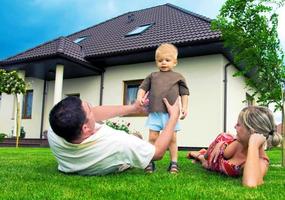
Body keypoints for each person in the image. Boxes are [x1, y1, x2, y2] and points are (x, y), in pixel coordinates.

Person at [48, 94, 181, 176]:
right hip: (119, 162)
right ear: (86, 128)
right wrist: (173, 116)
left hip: (73, 163)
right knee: (136, 138)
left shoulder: (54, 130)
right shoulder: (116, 142)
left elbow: (95, 112)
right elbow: (157, 153)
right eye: (89, 109)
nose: (91, 107)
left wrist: (133, 108)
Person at [187, 106, 282, 188]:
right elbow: (232, 140)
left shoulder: (261, 161)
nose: (234, 126)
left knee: (206, 164)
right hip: (219, 147)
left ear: (252, 131)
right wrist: (222, 144)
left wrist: (253, 145)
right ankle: (202, 154)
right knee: (206, 157)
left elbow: (250, 184)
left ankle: (199, 155)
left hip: (217, 163)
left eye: (238, 124)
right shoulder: (240, 142)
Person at [137, 43, 190, 174]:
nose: (163, 63)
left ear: (175, 62)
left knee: (172, 139)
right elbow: (142, 88)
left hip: (171, 115)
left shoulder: (178, 77)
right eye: (160, 61)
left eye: (167, 60)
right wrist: (140, 98)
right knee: (153, 137)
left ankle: (174, 163)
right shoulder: (152, 76)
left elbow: (184, 94)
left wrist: (185, 107)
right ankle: (150, 161)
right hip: (155, 113)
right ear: (156, 62)